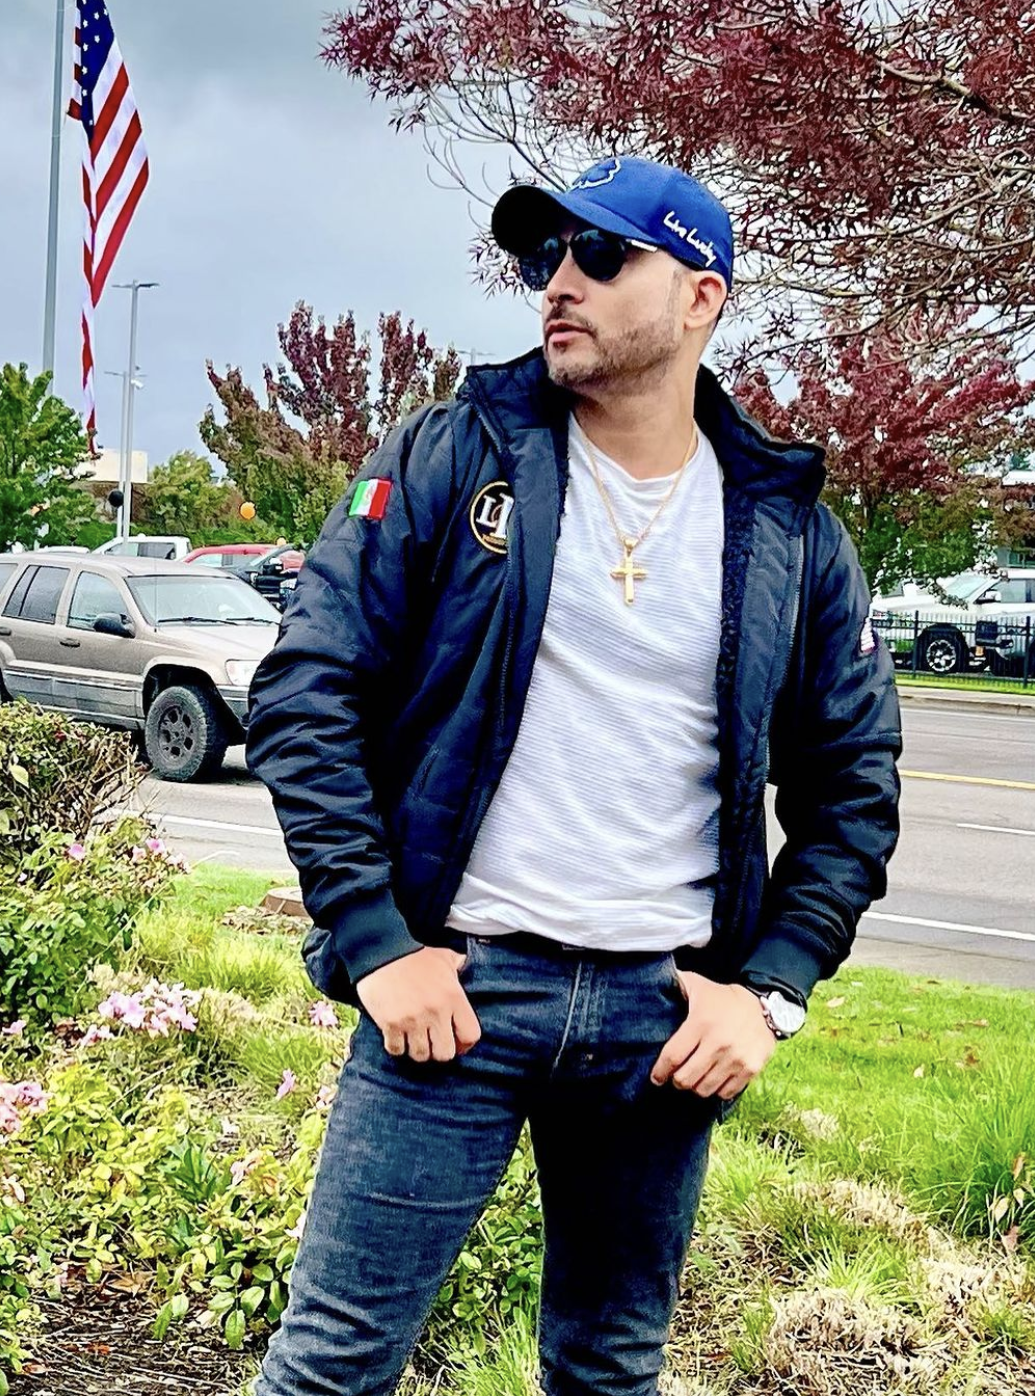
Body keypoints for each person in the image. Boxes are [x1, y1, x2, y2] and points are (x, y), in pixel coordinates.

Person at [246, 154, 902, 1396]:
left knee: (609, 1367)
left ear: (701, 297)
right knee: (332, 1364)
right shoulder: (454, 455)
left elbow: (855, 780)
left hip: (662, 1023)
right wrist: (377, 943)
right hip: (456, 998)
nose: (561, 281)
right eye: (547, 255)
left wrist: (770, 991)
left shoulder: (786, 528)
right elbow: (306, 689)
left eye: (602, 255)